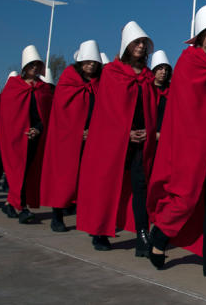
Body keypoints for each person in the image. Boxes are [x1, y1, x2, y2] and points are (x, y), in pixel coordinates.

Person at [147, 4, 206, 281]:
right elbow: (186, 113)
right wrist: (205, 143)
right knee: (185, 198)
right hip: (194, 149)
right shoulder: (189, 63)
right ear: (200, 36)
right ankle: (160, 236)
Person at [76, 21, 157, 255]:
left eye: (144, 43)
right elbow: (106, 112)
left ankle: (143, 235)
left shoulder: (148, 76)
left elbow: (150, 109)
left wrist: (148, 131)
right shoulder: (112, 73)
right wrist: (125, 133)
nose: (141, 46)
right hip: (115, 142)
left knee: (141, 186)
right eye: (136, 42)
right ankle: (100, 231)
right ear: (127, 46)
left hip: (142, 141)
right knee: (107, 184)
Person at [40, 40, 102, 233]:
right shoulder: (68, 81)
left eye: (94, 62)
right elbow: (62, 112)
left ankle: (89, 220)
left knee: (89, 182)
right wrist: (78, 131)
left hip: (93, 139)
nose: (91, 65)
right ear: (80, 62)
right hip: (67, 139)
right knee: (63, 179)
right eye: (87, 61)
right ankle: (57, 216)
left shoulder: (100, 83)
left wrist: (93, 130)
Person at [0, 45, 54, 224]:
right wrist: (20, 130)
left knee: (28, 171)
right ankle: (21, 208)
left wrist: (37, 129)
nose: (35, 68)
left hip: (36, 136)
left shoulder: (44, 89)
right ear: (25, 67)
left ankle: (11, 203)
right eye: (31, 65)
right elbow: (8, 115)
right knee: (17, 171)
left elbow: (45, 114)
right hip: (16, 138)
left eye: (37, 65)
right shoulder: (13, 87)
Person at [150, 50, 172, 142]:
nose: (164, 72)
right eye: (160, 69)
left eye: (166, 69)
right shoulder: (148, 89)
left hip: (168, 136)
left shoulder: (172, 90)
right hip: (149, 136)